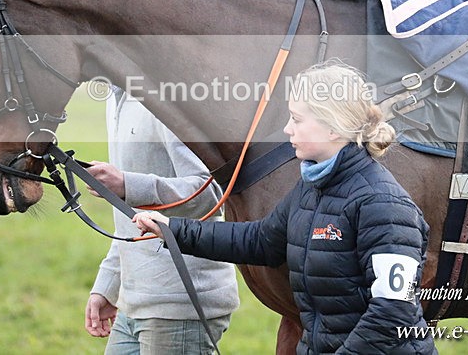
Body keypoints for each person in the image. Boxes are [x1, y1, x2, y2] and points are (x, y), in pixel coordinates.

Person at [134, 61, 436, 354]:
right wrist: (172, 229)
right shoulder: (313, 186)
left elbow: (393, 313)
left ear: (333, 128)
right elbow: (261, 241)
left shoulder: (384, 205)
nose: (287, 129)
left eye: (297, 119)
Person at [84, 87, 239, 354]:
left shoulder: (167, 100)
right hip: (132, 304)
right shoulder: (115, 98)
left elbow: (212, 193)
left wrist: (127, 184)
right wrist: (109, 284)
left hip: (179, 306)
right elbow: (134, 217)